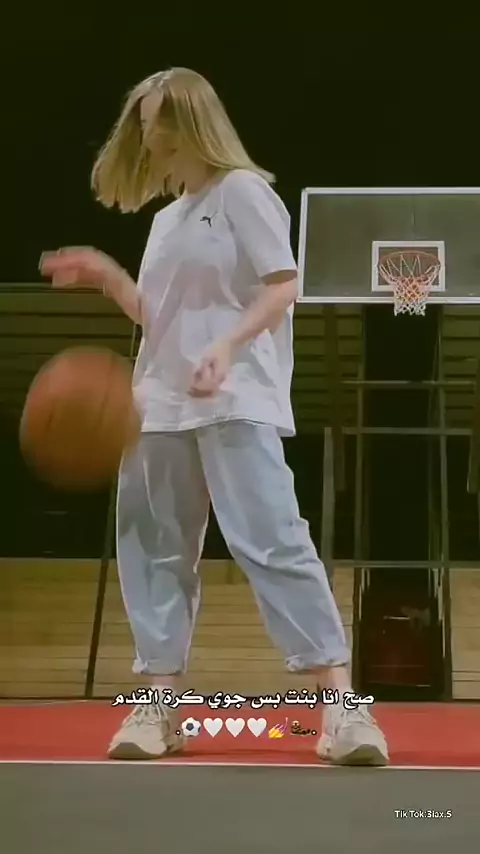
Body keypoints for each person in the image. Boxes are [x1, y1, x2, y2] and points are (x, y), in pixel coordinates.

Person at [40, 67, 389, 766]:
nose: (147, 133)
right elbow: (161, 319)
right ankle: (160, 708)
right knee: (156, 552)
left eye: (156, 120)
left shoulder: (243, 192)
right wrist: (111, 278)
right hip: (158, 404)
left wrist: (226, 347)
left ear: (188, 122)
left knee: (274, 542)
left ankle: (344, 711)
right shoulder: (167, 220)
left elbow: (285, 285)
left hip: (235, 396)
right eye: (143, 121)